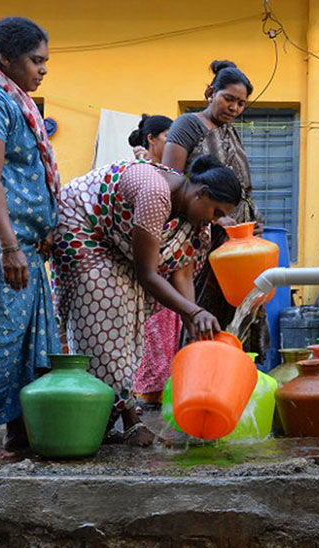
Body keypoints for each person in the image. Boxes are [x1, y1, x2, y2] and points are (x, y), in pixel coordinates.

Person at [51, 155, 241, 446]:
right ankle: (129, 421)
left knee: (130, 320)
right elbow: (147, 274)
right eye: (215, 211)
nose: (213, 221)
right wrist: (194, 310)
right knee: (107, 315)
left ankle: (103, 422)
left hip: (117, 245)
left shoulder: (193, 216)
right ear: (201, 192)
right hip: (82, 229)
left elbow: (183, 274)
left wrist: (193, 324)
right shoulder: (155, 193)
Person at [0, 17, 59, 459]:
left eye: (45, 61)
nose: (43, 69)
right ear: (6, 58)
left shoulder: (19, 101)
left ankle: (18, 428)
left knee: (27, 339)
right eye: (35, 60)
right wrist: (9, 245)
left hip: (27, 246)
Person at [162, 60, 267, 350]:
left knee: (246, 307)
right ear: (211, 92)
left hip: (241, 241)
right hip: (205, 235)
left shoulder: (232, 133)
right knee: (203, 307)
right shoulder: (188, 125)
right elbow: (169, 179)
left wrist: (253, 221)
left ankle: (241, 376)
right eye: (229, 99)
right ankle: (198, 372)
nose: (235, 108)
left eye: (242, 103)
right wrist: (216, 220)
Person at [127, 114, 182, 406]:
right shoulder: (142, 172)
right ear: (152, 139)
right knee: (150, 330)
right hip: (147, 264)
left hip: (166, 264)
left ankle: (158, 389)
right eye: (167, 138)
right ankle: (145, 391)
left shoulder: (166, 172)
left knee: (165, 327)